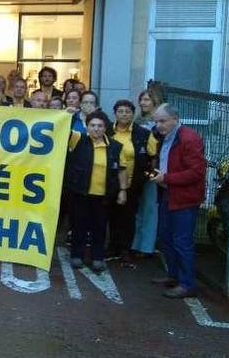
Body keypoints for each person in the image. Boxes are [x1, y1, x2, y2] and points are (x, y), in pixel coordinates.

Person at [150, 103, 206, 298]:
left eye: (163, 121)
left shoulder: (189, 138)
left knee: (182, 241)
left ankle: (187, 284)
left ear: (175, 119)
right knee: (165, 237)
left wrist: (166, 178)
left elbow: (196, 172)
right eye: (156, 121)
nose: (159, 125)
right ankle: (174, 275)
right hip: (168, 193)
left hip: (184, 198)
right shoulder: (167, 136)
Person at [65, 110, 128, 272]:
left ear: (105, 127)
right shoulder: (77, 140)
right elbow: (63, 130)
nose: (96, 129)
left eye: (100, 126)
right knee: (79, 225)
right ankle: (76, 255)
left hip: (103, 196)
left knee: (99, 227)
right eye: (92, 125)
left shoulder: (115, 147)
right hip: (80, 193)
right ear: (87, 127)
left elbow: (121, 170)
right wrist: (68, 115)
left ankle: (97, 257)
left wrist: (122, 190)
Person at [108, 99, 156, 266]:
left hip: (133, 183)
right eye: (120, 111)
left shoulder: (142, 133)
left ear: (133, 114)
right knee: (112, 215)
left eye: (127, 111)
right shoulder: (107, 131)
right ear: (115, 113)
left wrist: (146, 175)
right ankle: (113, 247)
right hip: (110, 182)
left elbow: (152, 154)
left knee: (128, 217)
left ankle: (125, 249)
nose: (124, 114)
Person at [132, 89, 162, 256]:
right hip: (138, 169)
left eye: (147, 100)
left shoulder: (158, 123)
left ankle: (146, 246)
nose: (143, 103)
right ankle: (137, 243)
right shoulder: (138, 120)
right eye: (141, 99)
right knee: (138, 208)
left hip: (152, 170)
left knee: (149, 208)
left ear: (154, 102)